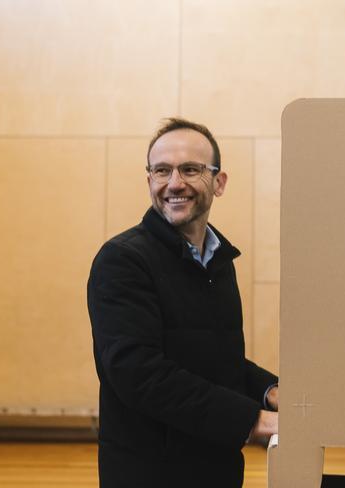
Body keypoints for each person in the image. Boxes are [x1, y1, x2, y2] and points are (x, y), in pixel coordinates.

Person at [87, 117, 279, 488]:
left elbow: (211, 360)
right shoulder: (122, 260)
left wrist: (269, 391)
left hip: (216, 469)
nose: (175, 183)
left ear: (219, 182)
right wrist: (254, 420)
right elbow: (140, 374)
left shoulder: (219, 260)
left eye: (191, 169)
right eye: (162, 171)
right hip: (149, 473)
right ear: (149, 182)